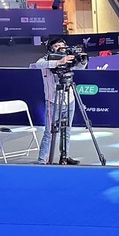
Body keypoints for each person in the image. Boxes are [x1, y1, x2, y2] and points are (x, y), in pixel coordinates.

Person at [35, 36, 87, 165]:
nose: (60, 48)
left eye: (62, 45)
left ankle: (64, 157)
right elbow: (38, 64)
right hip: (52, 101)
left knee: (67, 130)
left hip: (69, 100)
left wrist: (82, 60)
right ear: (51, 48)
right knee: (49, 132)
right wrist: (58, 62)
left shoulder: (68, 58)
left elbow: (80, 68)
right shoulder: (46, 60)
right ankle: (42, 160)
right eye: (57, 46)